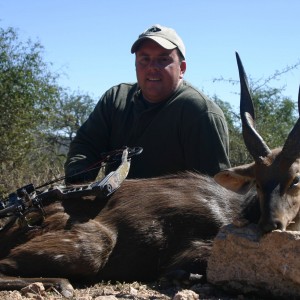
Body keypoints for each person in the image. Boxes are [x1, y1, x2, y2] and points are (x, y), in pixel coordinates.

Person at [64, 24, 231, 184]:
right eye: (144, 59)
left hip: (171, 211)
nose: (152, 67)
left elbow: (214, 190)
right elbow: (86, 145)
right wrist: (79, 182)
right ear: (136, 64)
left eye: (163, 59)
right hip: (111, 207)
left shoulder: (200, 112)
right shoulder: (115, 98)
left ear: (182, 69)